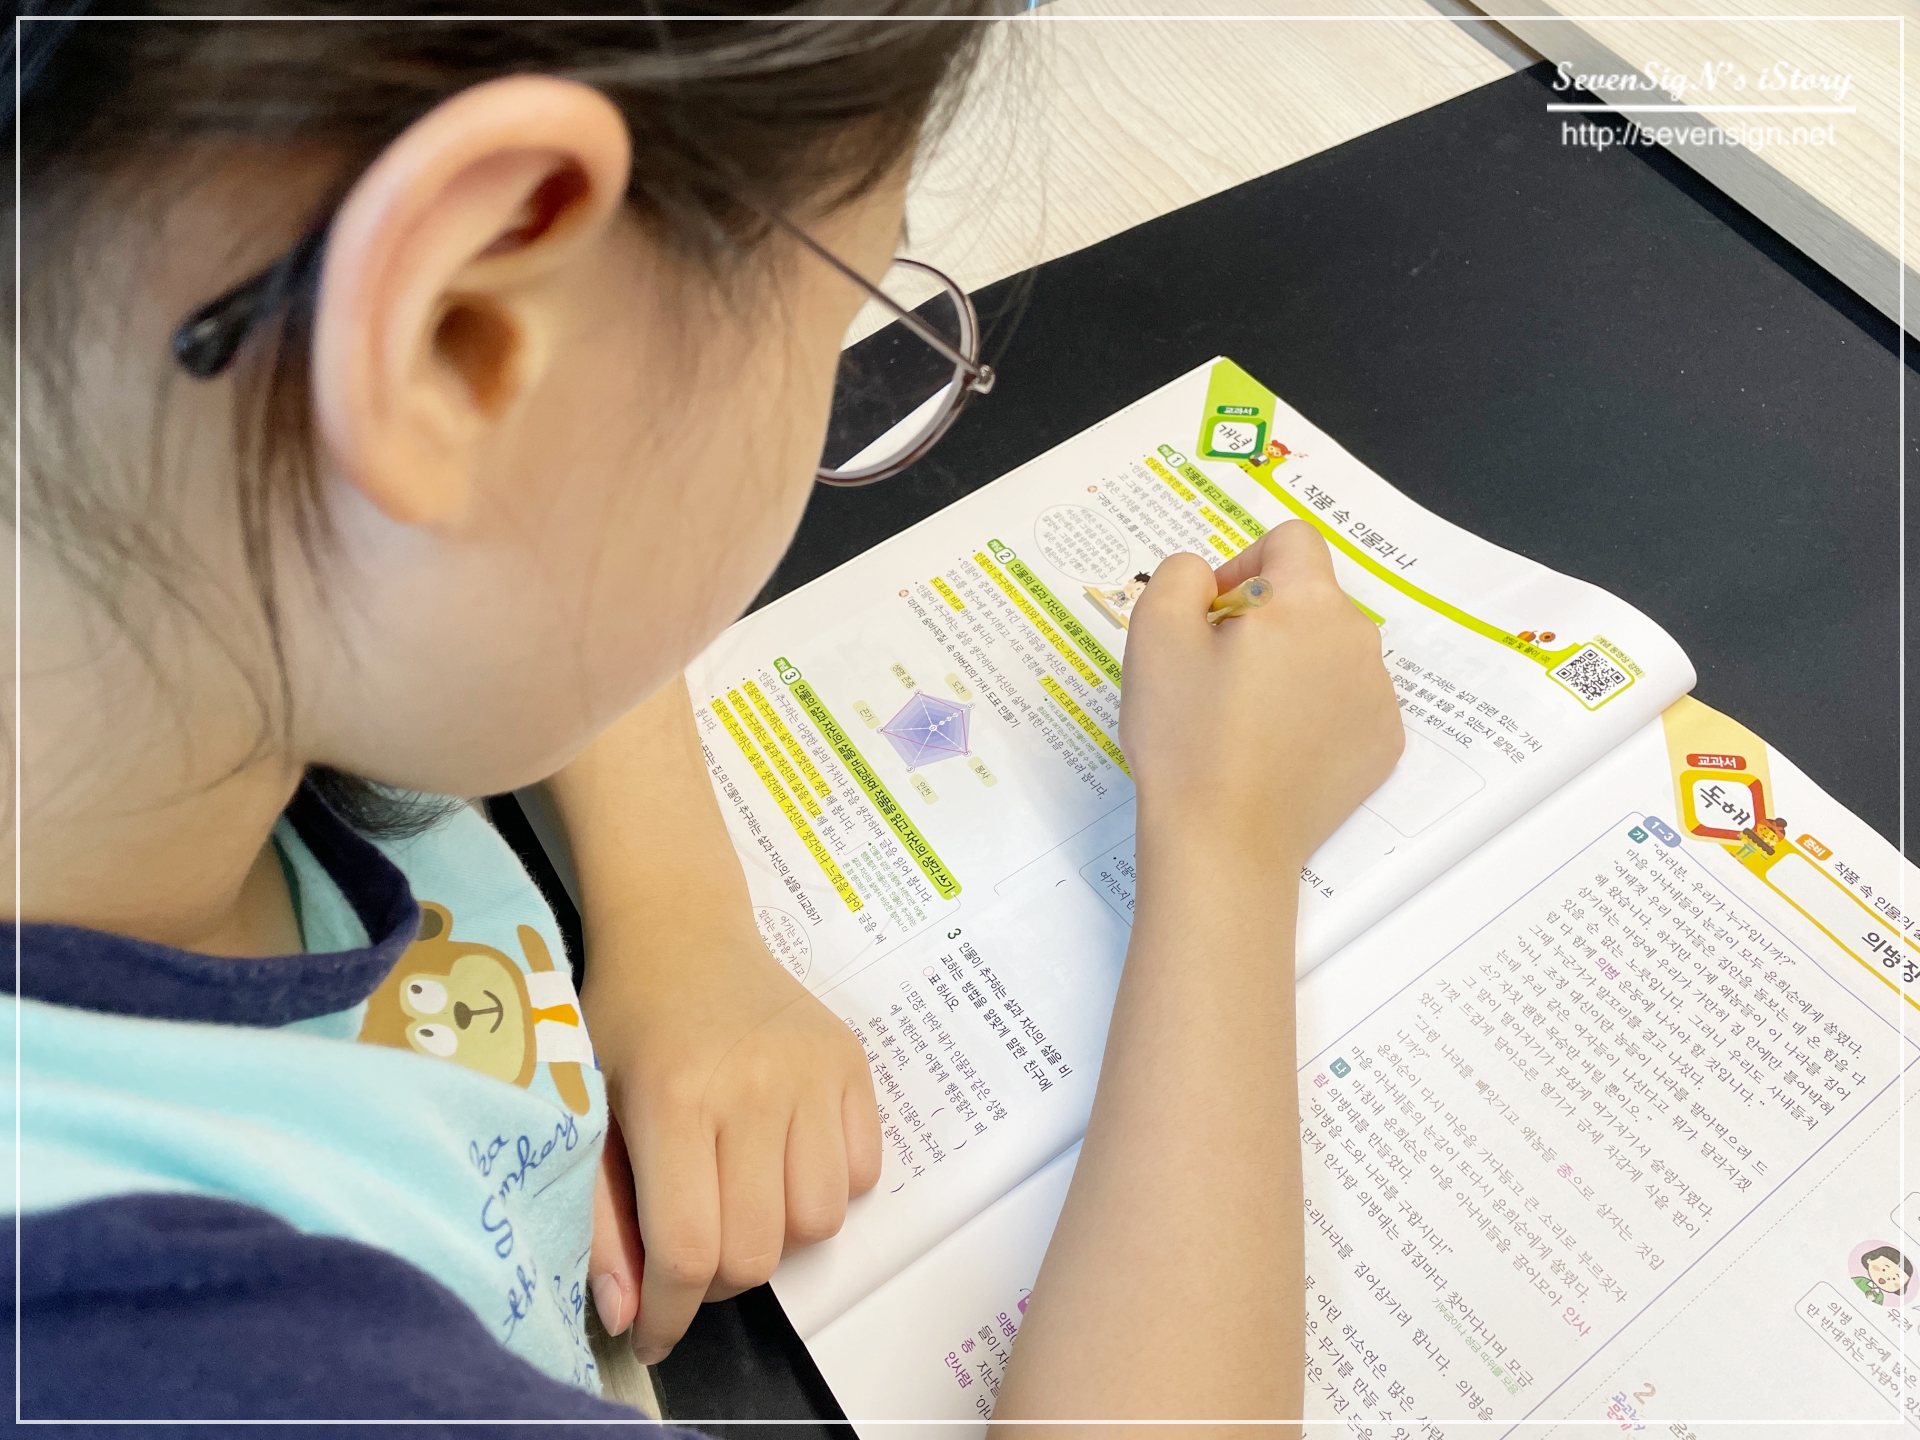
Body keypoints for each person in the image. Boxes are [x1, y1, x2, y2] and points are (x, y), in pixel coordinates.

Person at [10, 2, 1403, 1428]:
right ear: (452, 340)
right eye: (842, 320)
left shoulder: (109, 536)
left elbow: (531, 516)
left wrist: (677, 913)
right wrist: (1228, 846)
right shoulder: (194, 1368)